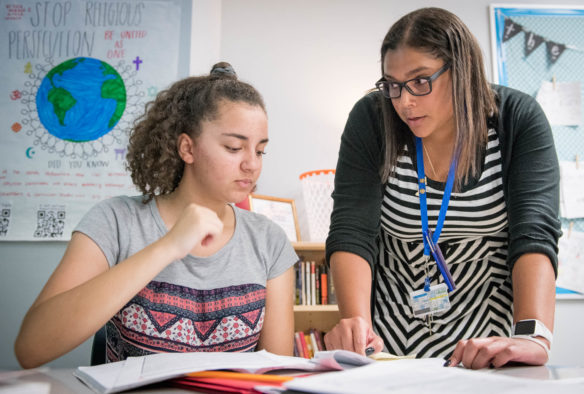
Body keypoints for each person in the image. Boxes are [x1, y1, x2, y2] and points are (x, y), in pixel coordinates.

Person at [15, 62, 298, 368]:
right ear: (187, 148)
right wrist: (169, 246)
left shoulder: (270, 241)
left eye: (260, 151)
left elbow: (275, 375)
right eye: (233, 147)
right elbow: (31, 349)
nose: (252, 165)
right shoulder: (115, 220)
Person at [323, 8, 561, 370]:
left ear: (462, 70)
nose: (404, 101)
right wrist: (357, 325)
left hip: (484, 336)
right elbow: (351, 231)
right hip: (388, 330)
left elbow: (534, 233)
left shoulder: (517, 118)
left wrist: (532, 335)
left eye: (420, 81)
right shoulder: (372, 118)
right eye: (392, 84)